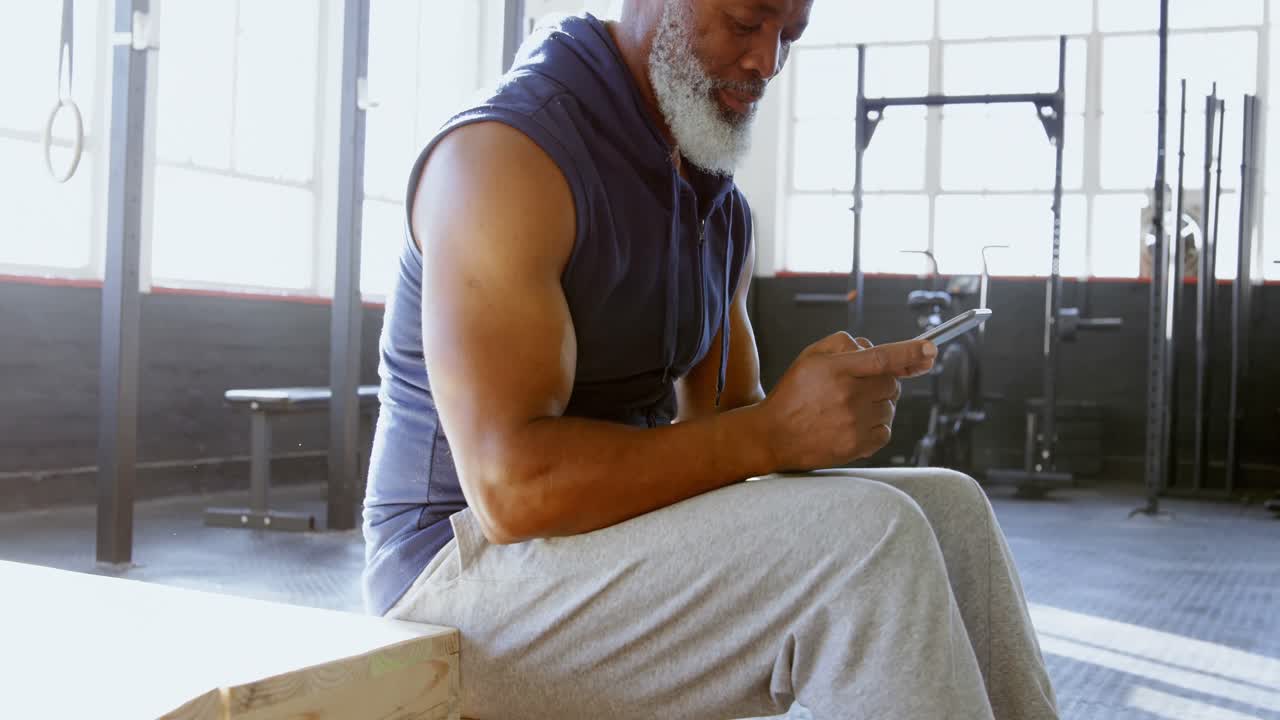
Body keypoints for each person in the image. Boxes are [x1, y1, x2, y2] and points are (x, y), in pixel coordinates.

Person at [362, 1, 1060, 718]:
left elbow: (728, 424)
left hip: (596, 545)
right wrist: (772, 432)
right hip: (452, 577)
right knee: (867, 540)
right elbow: (514, 491)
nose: (767, 63)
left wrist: (815, 412)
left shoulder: (713, 202)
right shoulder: (506, 159)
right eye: (745, 22)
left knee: (949, 508)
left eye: (788, 36)